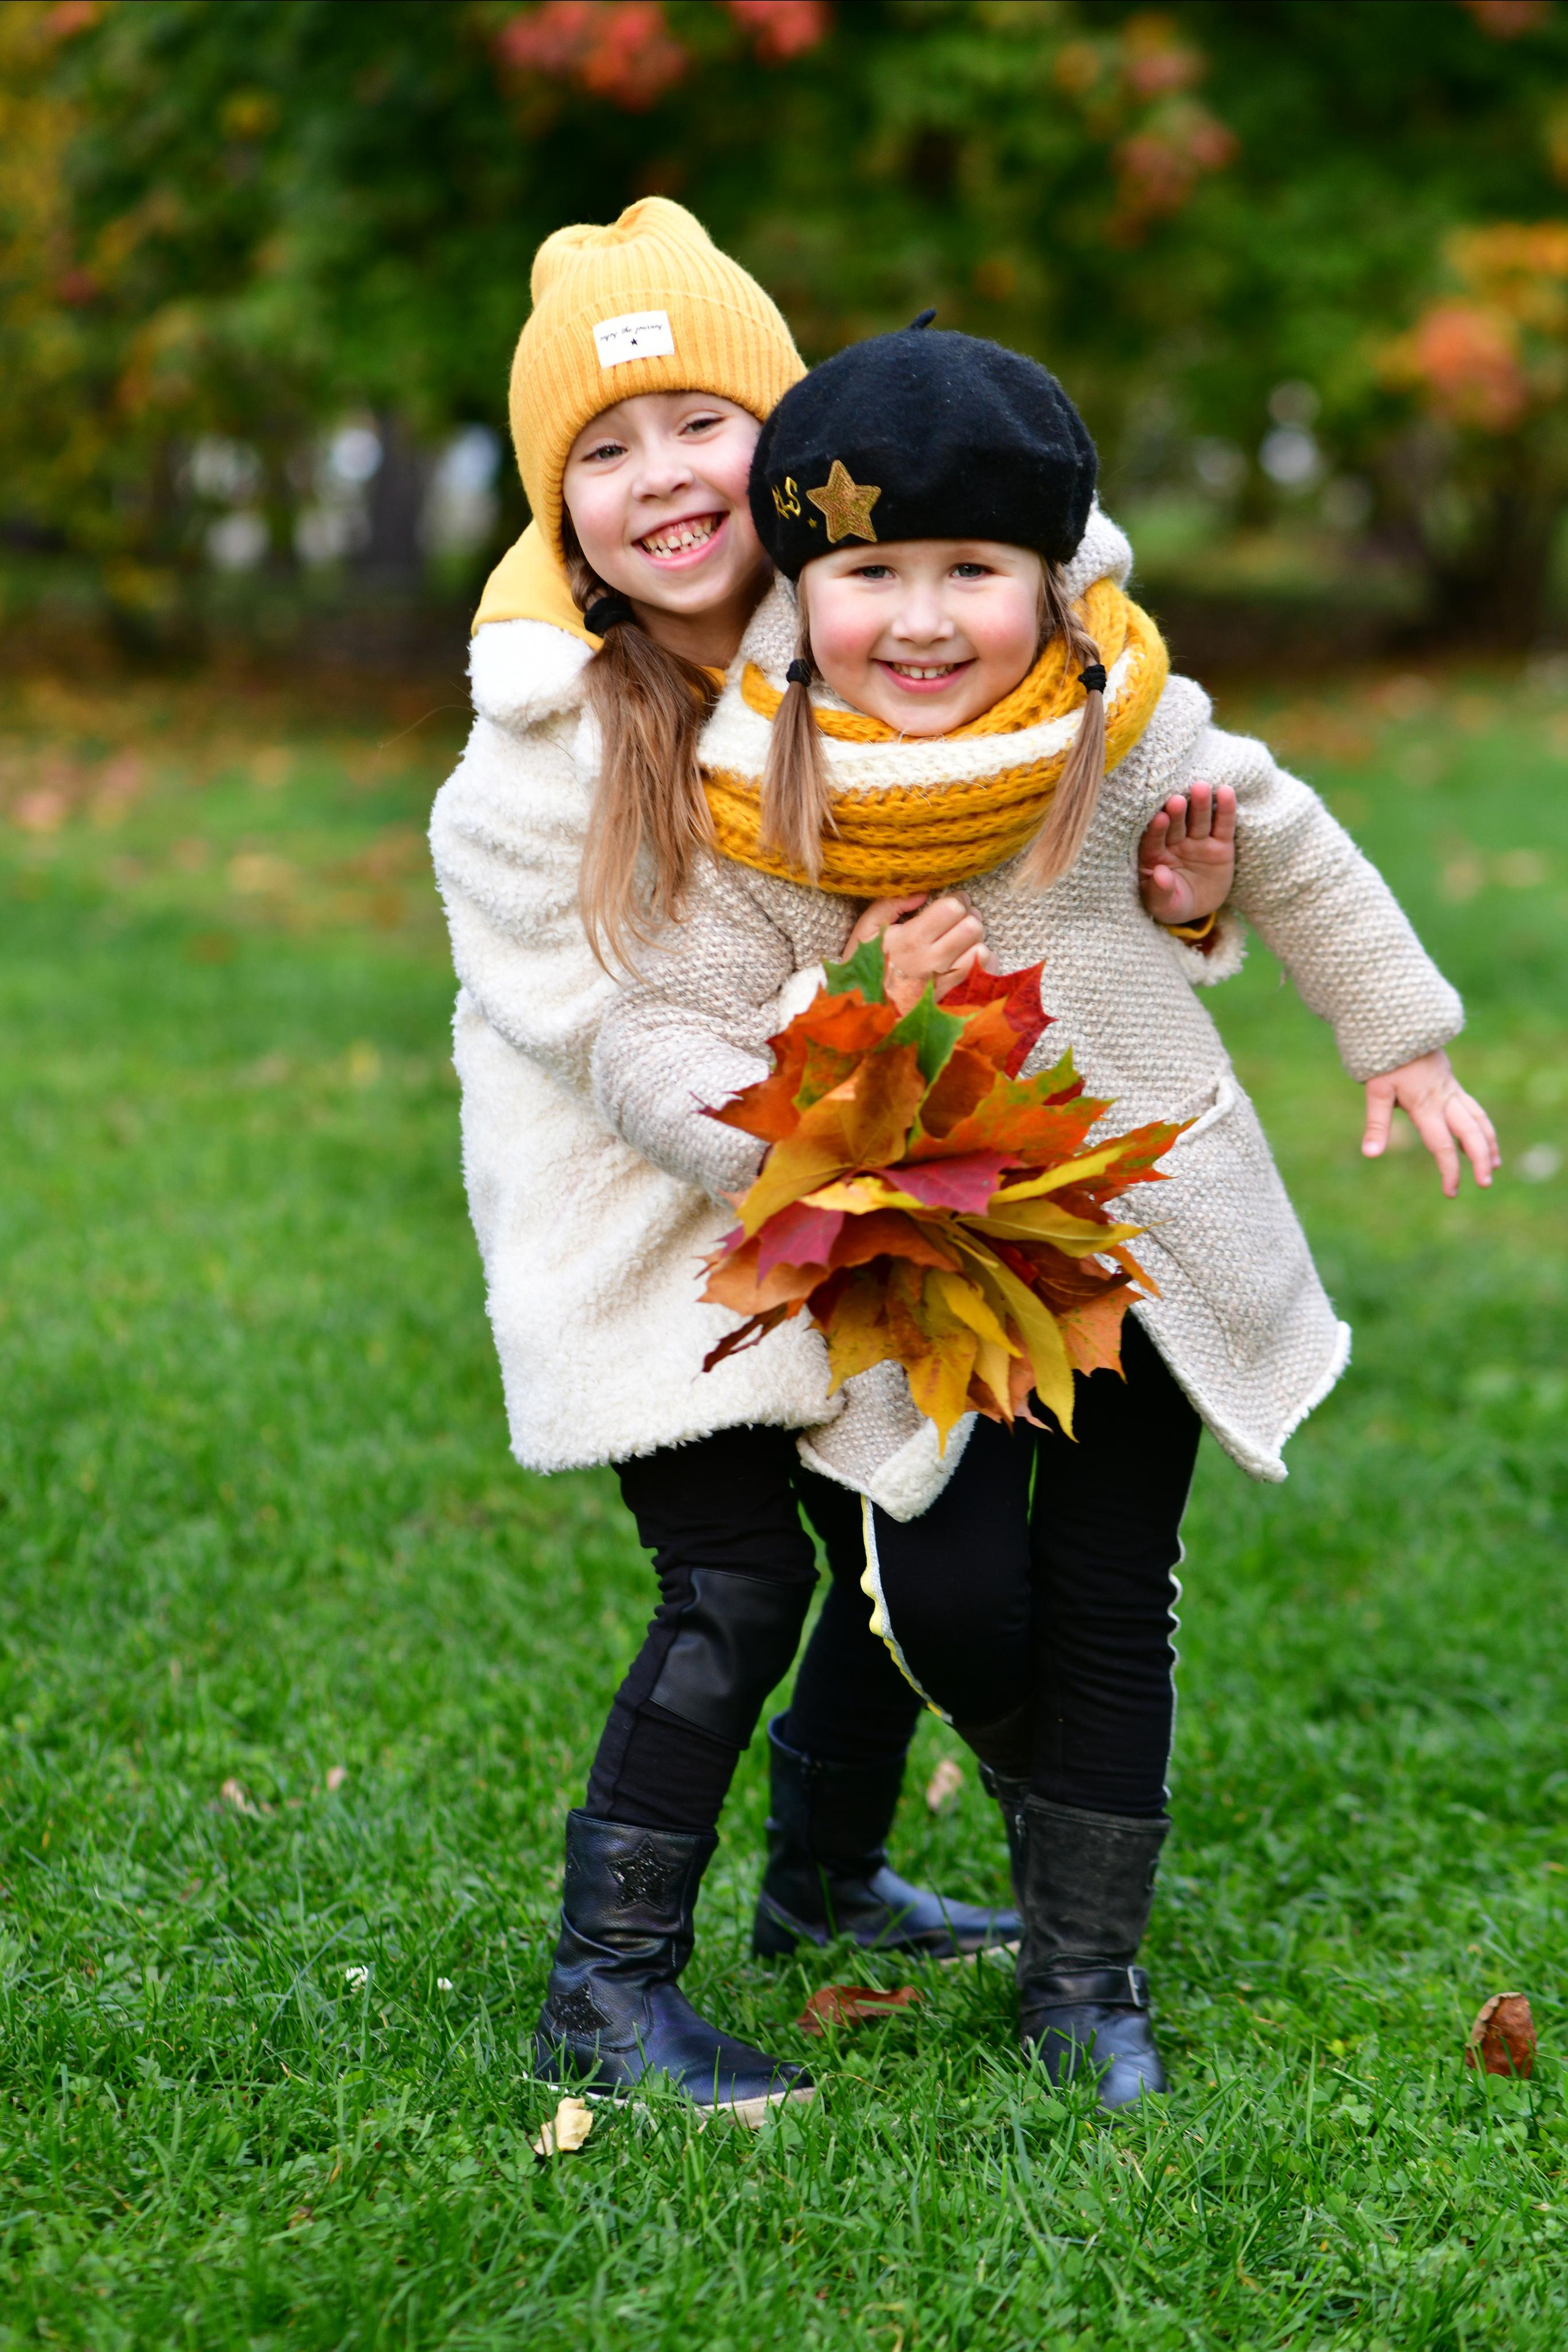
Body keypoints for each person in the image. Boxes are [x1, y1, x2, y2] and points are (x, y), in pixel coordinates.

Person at [587, 320, 1499, 2110]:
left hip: (1137, 1241)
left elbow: (1293, 852)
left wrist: (1402, 1039)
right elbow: (652, 1035)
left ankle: (1088, 1977)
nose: (921, 621)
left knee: (1108, 1592)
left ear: (1056, 581)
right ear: (803, 580)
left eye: (973, 572)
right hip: (913, 1277)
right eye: (870, 573)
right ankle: (903, 1840)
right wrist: (829, 1013)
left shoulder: (1125, 728)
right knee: (943, 1601)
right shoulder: (769, 783)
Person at [432, 205, 1212, 2124]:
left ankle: (826, 1873)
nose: (661, 482)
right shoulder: (535, 759)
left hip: (861, 1193)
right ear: (555, 512)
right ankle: (602, 1998)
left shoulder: (866, 636)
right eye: (599, 455)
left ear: (788, 449)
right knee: (734, 1588)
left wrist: (1189, 911)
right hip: (656, 1231)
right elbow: (617, 1048)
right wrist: (845, 1024)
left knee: (894, 1511)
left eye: (701, 425)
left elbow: (1057, 719)